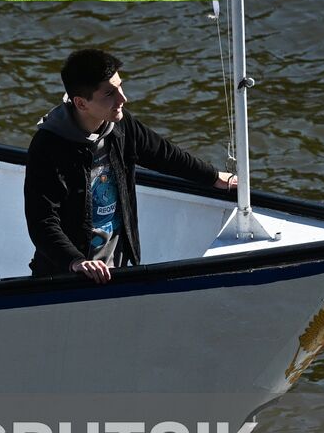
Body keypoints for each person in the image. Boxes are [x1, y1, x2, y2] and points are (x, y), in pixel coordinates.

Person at [24, 49, 236, 283]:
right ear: (81, 103)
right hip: (67, 276)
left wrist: (214, 176)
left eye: (120, 87)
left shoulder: (121, 125)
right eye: (109, 93)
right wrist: (76, 261)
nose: (122, 99)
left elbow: (165, 154)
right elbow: (42, 221)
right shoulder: (47, 146)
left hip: (120, 267)